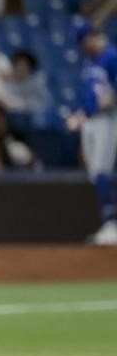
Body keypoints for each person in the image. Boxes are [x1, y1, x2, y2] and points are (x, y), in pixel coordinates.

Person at [67, 22, 117, 245]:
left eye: (83, 41)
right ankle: (108, 223)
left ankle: (111, 224)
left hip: (109, 118)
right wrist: (80, 114)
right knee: (96, 173)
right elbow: (90, 96)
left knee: (102, 171)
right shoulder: (90, 63)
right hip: (93, 121)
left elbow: (109, 95)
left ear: (90, 37)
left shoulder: (111, 56)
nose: (82, 47)